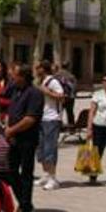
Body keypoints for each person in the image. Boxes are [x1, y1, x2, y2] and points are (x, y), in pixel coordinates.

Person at [3, 63, 43, 212]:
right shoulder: (15, 91)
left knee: (26, 172)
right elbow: (9, 110)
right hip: (13, 138)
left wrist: (11, 130)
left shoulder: (35, 94)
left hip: (27, 138)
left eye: (15, 75)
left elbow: (30, 119)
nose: (12, 78)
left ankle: (25, 205)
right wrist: (8, 128)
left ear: (23, 76)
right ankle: (23, 200)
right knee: (10, 171)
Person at [35, 60, 65, 191]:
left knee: (50, 148)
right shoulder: (42, 81)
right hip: (42, 118)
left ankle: (53, 178)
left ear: (43, 69)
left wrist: (46, 92)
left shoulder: (53, 81)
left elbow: (61, 96)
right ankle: (46, 174)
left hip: (52, 118)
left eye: (38, 68)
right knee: (41, 148)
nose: (36, 70)